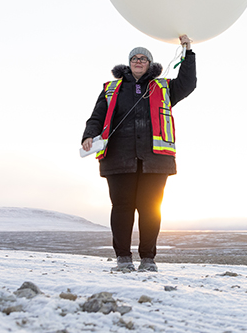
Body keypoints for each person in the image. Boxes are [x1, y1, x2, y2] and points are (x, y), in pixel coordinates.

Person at [81, 35, 196, 272]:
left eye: (143, 58)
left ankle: (148, 259)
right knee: (122, 208)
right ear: (129, 63)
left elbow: (188, 83)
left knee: (150, 209)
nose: (138, 61)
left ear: (150, 63)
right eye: (134, 57)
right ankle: (123, 258)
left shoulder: (164, 87)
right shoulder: (110, 89)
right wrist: (88, 135)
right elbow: (96, 117)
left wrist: (188, 51)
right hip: (118, 158)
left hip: (155, 160)